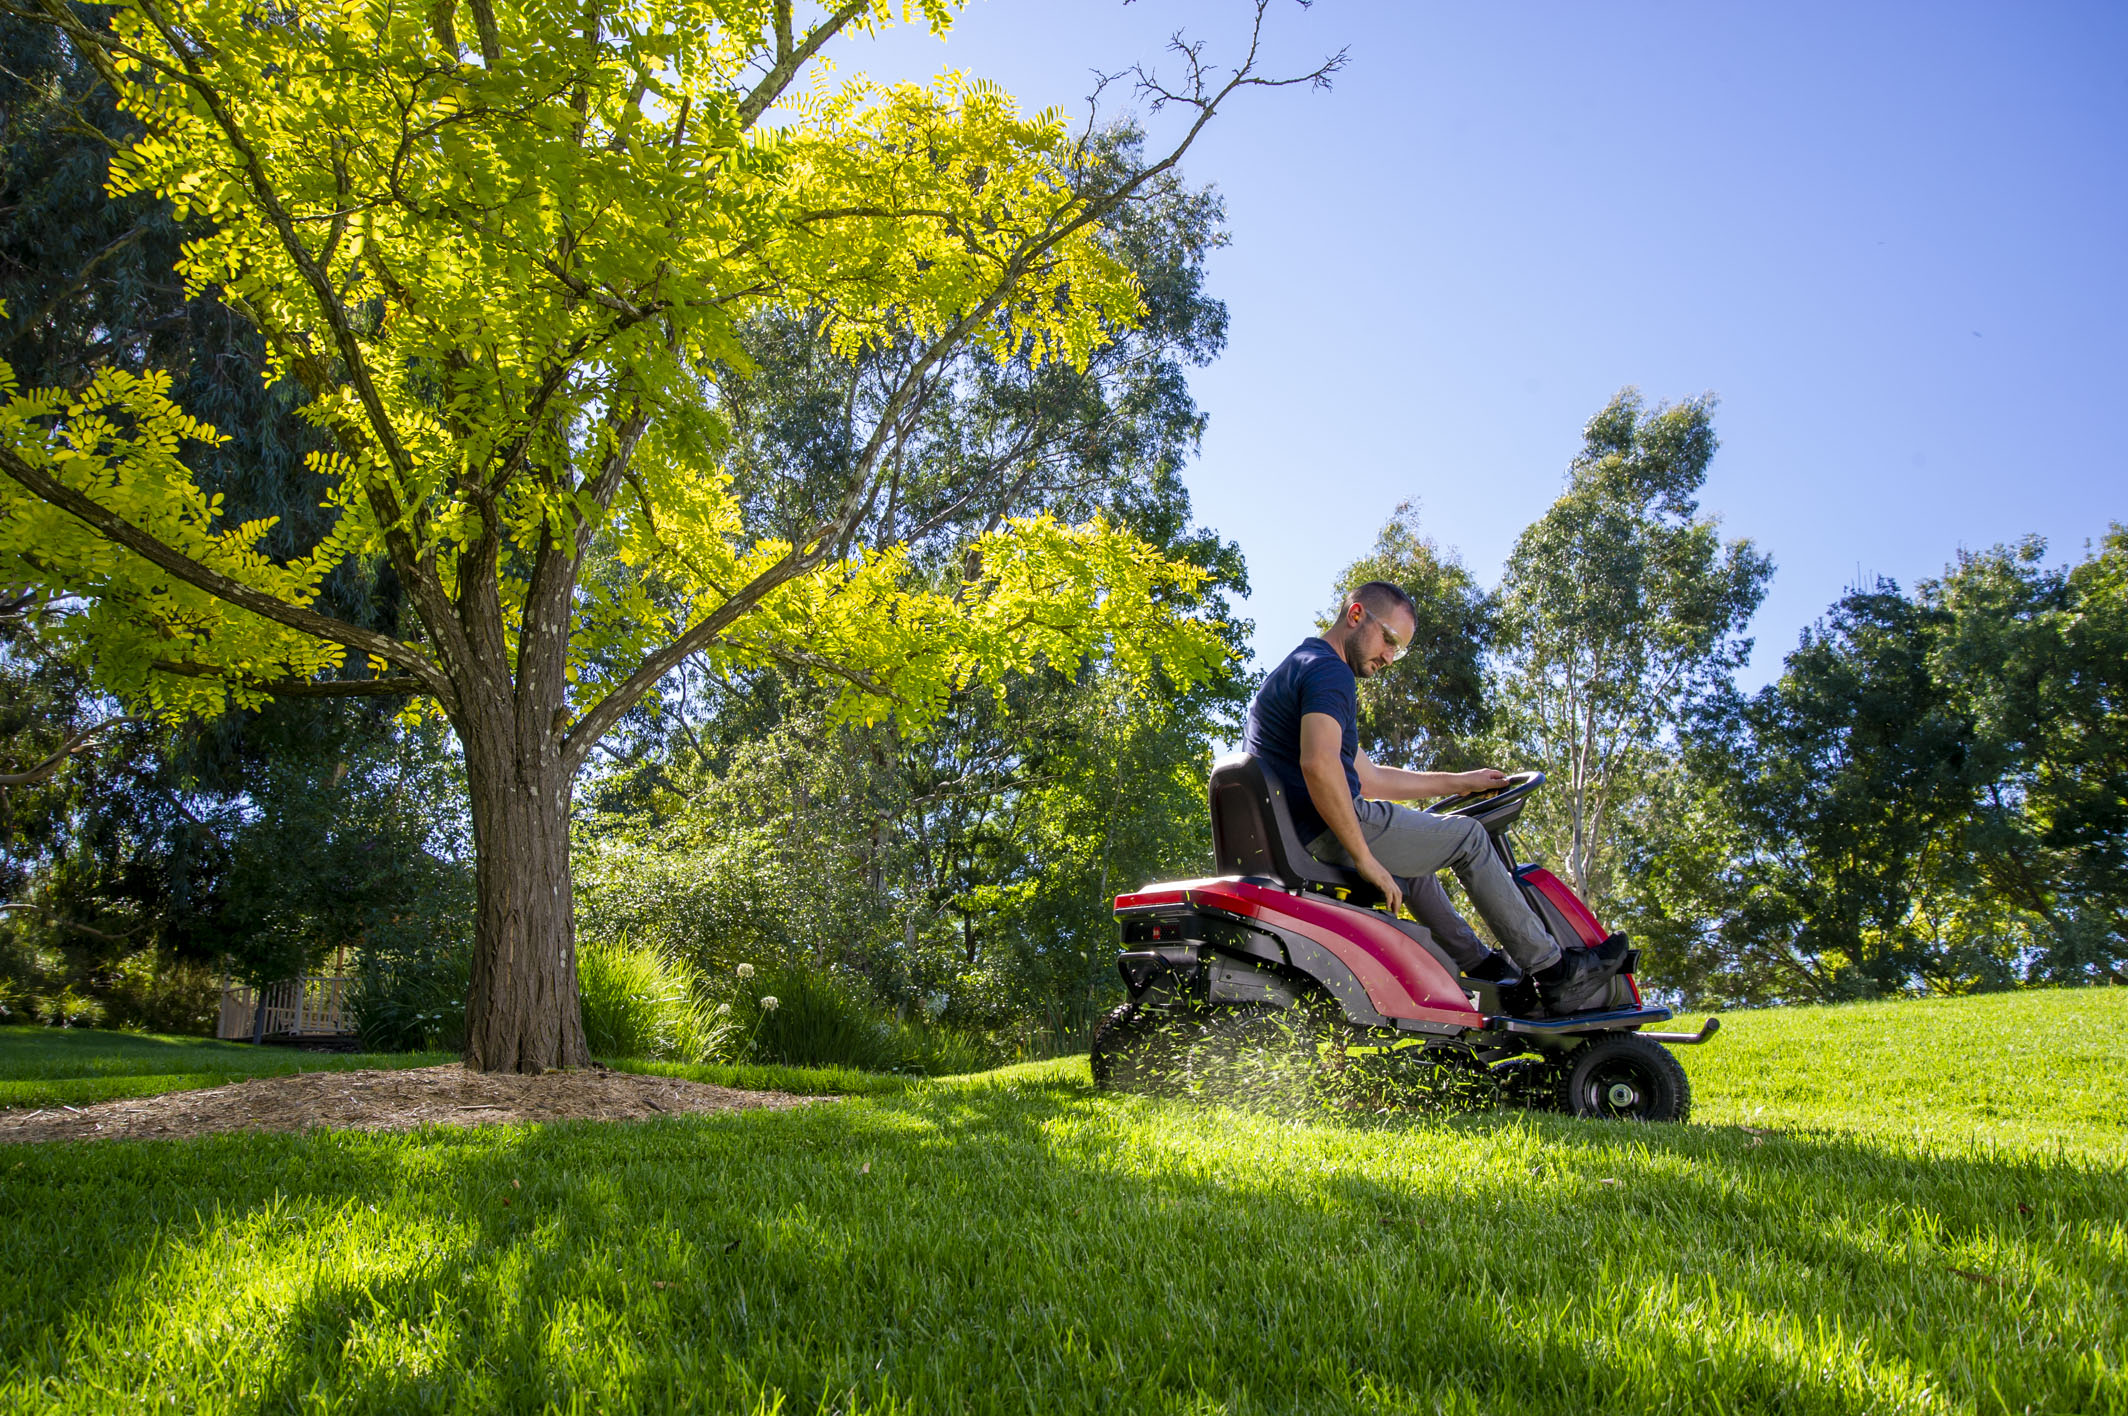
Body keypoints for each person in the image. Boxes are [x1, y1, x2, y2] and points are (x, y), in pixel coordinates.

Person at [1241, 580, 1627, 1013]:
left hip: (1303, 830)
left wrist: (1461, 782)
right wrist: (1367, 859)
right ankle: (1556, 974)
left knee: (1416, 870)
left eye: (1398, 650)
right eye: (1388, 640)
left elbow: (1368, 778)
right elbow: (1319, 765)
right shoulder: (1329, 673)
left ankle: (1483, 969)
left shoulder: (1301, 666)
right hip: (1324, 828)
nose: (1389, 657)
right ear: (1355, 615)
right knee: (1469, 838)